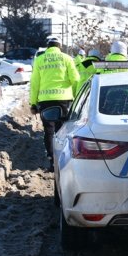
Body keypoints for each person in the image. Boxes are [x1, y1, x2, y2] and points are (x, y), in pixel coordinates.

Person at [29, 36, 80, 171]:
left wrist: (33, 103)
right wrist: (75, 96)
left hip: (45, 100)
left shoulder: (39, 60)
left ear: (48, 46)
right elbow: (75, 79)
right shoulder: (67, 59)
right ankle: (63, 160)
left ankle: (52, 160)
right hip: (63, 100)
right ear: (60, 46)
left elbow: (34, 83)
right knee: (62, 130)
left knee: (49, 131)